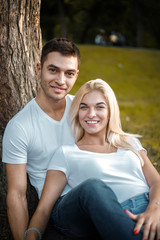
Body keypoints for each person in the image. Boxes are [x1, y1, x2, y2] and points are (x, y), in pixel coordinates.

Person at [25, 79, 160, 240]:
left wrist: (154, 208)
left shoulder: (128, 142)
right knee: (92, 186)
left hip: (149, 207)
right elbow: (44, 209)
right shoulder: (66, 153)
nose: (91, 114)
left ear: (110, 111)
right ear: (77, 112)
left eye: (99, 107)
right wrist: (31, 235)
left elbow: (156, 182)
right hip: (112, 214)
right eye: (84, 107)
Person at [2, 38, 80, 240]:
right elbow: (17, 195)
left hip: (95, 202)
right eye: (53, 70)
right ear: (39, 69)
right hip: (57, 212)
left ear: (76, 76)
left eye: (69, 73)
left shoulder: (84, 111)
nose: (61, 81)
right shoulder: (20, 126)